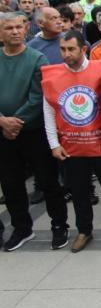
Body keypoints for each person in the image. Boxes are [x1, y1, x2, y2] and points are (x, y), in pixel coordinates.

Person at [42, 30, 101, 252]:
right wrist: (54, 144)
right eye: (63, 49)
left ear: (83, 49)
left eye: (71, 49)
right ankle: (84, 230)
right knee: (79, 192)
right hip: (72, 147)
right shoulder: (52, 75)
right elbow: (49, 111)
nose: (66, 54)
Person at [0, 12, 69, 251]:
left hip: (33, 132)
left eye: (18, 27)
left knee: (48, 181)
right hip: (3, 133)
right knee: (11, 184)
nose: (15, 32)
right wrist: (2, 121)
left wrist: (14, 122)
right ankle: (22, 228)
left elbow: (38, 97)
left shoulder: (37, 59)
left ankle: (59, 225)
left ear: (26, 28)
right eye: (8, 28)